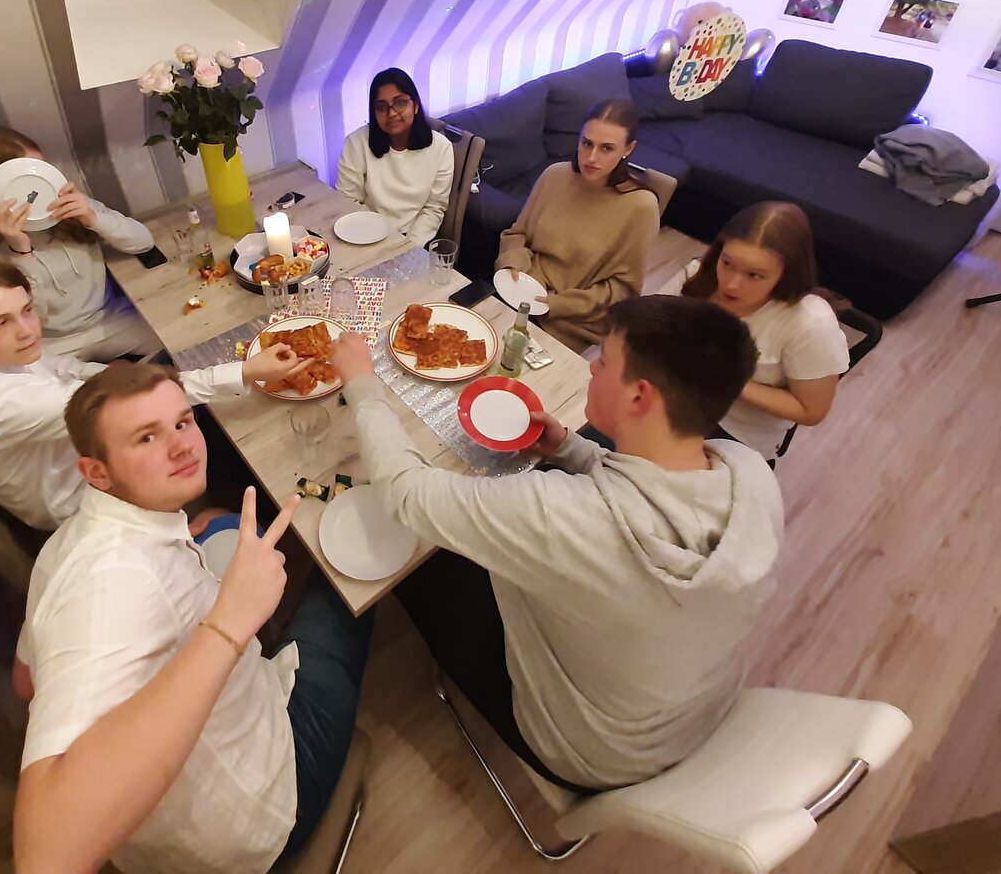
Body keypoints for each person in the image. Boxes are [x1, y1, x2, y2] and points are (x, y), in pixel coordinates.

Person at [330, 295, 782, 791]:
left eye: (604, 361)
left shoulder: (564, 516)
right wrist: (571, 449)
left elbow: (406, 494)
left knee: (418, 560)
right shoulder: (749, 469)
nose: (592, 369)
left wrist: (362, 384)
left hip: (590, 751)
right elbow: (654, 493)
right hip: (693, 709)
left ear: (639, 397)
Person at [14, 365, 373, 873]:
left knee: (219, 525)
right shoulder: (112, 582)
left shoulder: (63, 548)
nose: (182, 446)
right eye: (147, 437)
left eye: (183, 422)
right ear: (96, 472)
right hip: (270, 805)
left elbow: (25, 680)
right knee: (357, 580)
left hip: (173, 839)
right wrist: (229, 623)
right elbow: (48, 857)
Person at [0, 252, 307, 529]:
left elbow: (69, 368)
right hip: (82, 500)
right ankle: (255, 511)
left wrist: (115, 376)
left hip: (74, 451)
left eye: (26, 310)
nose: (27, 330)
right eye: (1, 322)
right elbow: (137, 408)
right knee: (236, 418)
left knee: (190, 382)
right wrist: (247, 371)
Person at [0, 125, 160, 362]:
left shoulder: (64, 204)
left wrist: (93, 218)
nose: (39, 185)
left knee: (179, 343)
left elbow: (143, 243)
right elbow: (35, 315)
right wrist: (20, 249)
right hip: (49, 343)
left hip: (109, 320)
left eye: (42, 169)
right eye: (28, 178)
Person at [663, 202, 849, 464]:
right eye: (727, 263)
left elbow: (811, 411)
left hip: (733, 433)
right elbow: (641, 327)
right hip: (668, 395)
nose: (731, 284)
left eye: (754, 275)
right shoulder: (698, 276)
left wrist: (730, 381)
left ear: (786, 275)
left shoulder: (810, 323)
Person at [496, 99, 660, 353]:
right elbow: (517, 233)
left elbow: (623, 291)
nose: (591, 158)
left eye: (607, 148)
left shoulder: (641, 206)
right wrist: (511, 262)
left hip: (569, 320)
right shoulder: (555, 175)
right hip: (519, 291)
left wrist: (556, 304)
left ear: (629, 149)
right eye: (587, 143)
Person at [336, 67, 455, 247]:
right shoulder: (356, 142)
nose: (391, 113)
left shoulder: (441, 148)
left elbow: (433, 209)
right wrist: (377, 238)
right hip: (366, 232)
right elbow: (348, 200)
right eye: (382, 107)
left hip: (412, 239)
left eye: (399, 103)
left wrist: (407, 247)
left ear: (415, 105)